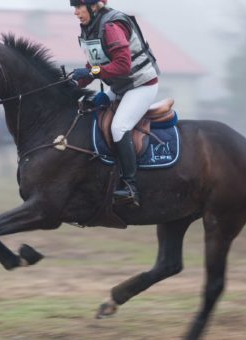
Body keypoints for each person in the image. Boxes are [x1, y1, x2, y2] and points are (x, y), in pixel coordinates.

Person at [70, 0, 160, 207]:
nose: (75, 13)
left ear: (94, 7)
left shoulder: (111, 27)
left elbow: (122, 65)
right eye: (74, 8)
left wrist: (92, 72)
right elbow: (95, 64)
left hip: (141, 85)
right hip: (121, 88)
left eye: (78, 7)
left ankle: (130, 186)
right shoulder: (90, 28)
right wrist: (75, 80)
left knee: (118, 128)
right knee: (89, 108)